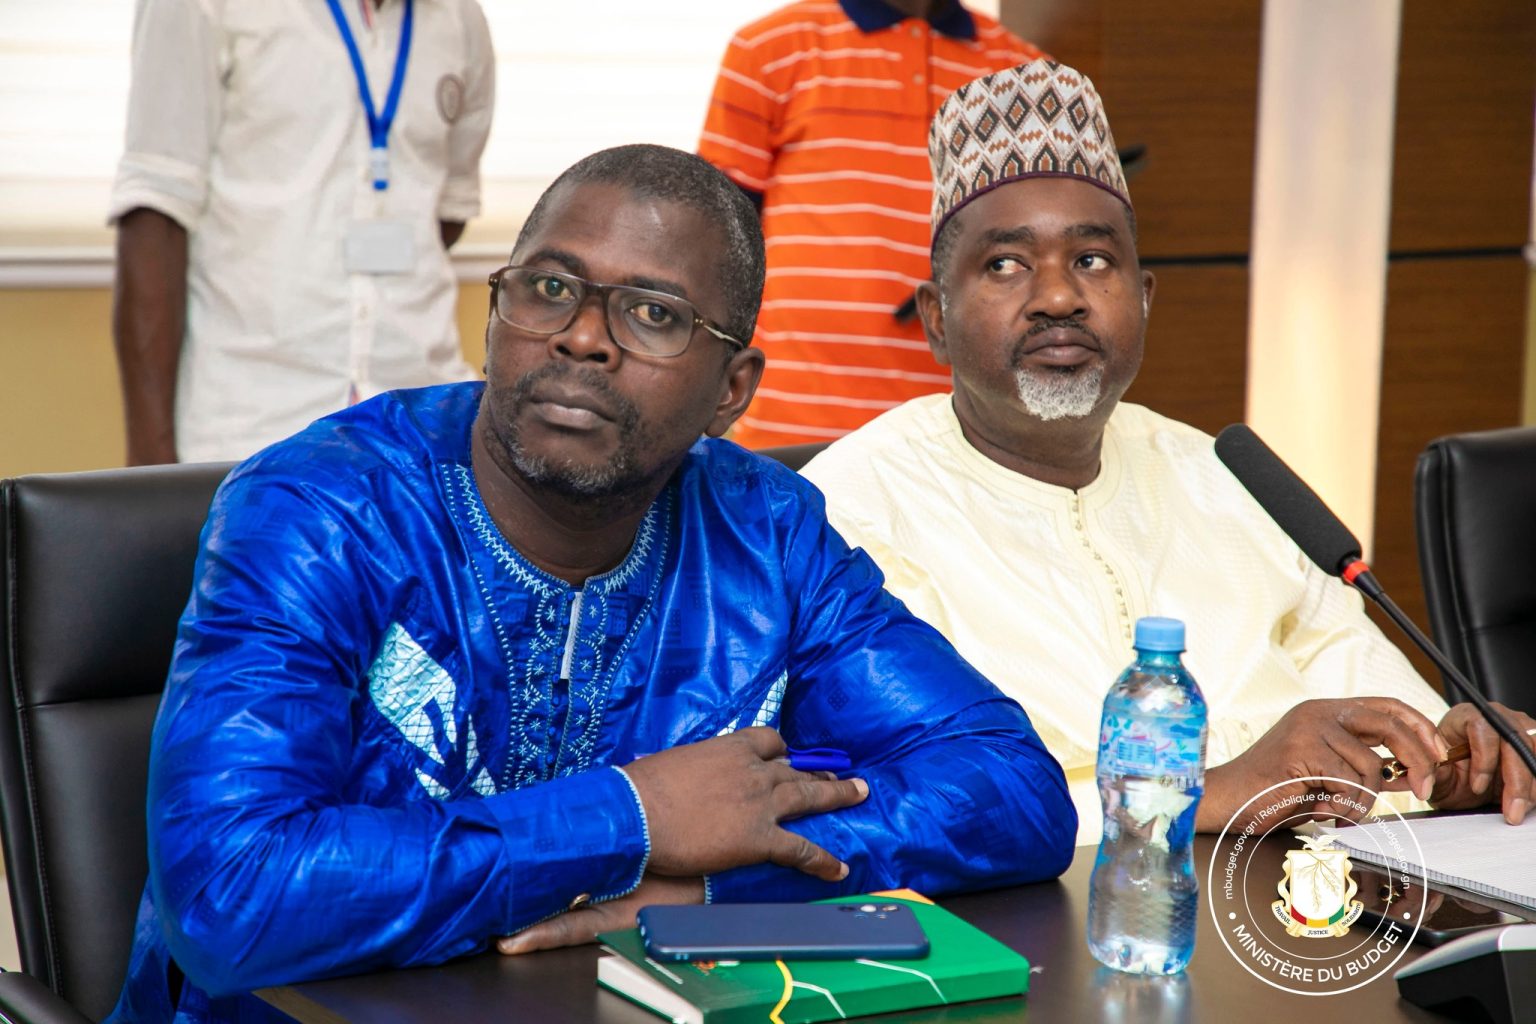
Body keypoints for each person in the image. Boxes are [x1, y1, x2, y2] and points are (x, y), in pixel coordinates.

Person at [106, 144, 1075, 1024]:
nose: (580, 338)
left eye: (653, 314)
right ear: (495, 312)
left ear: (733, 389)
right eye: (549, 288)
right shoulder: (324, 512)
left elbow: (1012, 790)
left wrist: (711, 891)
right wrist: (632, 816)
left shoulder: (766, 533)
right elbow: (229, 894)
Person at [803, 60, 1536, 843]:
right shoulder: (848, 515)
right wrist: (1211, 794)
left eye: (1092, 260)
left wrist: (1449, 761)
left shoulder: (1229, 478)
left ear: (1144, 299)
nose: (1059, 297)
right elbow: (903, 809)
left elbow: (1386, 718)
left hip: (1311, 897)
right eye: (1005, 264)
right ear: (935, 319)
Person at [110, 0, 495, 465]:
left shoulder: (461, 20)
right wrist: (151, 466)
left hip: (418, 428)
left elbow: (444, 216)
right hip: (252, 424)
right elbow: (155, 213)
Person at [697, 0, 1045, 448]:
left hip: (955, 436)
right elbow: (712, 247)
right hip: (790, 420)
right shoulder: (769, 49)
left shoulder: (1026, 76)